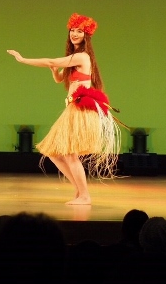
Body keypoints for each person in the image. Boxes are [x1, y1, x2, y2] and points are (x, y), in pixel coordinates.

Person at [7, 13, 122, 205]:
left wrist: (23, 59)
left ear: (86, 36)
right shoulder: (73, 58)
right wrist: (54, 71)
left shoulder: (82, 56)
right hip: (72, 109)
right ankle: (79, 191)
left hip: (79, 110)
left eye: (79, 31)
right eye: (72, 31)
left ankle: (84, 195)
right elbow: (59, 79)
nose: (74, 34)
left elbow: (51, 61)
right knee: (53, 152)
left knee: (69, 154)